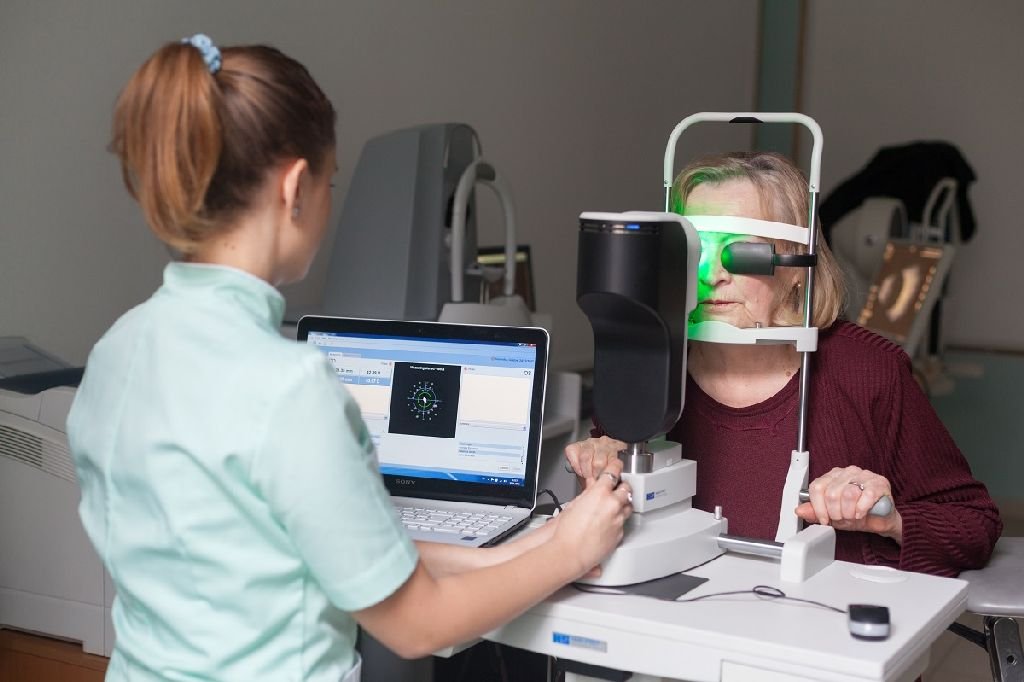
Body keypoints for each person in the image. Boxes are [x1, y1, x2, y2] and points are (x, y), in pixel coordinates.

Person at [67, 35, 633, 682]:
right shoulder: (290, 387)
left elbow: (285, 553)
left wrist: (540, 541)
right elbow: (417, 626)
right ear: (295, 188)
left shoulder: (115, 353)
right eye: (329, 182)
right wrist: (567, 555)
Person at [565, 151, 1001, 578]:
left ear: (795, 264)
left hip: (822, 615)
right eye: (697, 251)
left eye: (740, 252)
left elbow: (973, 524)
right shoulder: (643, 364)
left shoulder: (869, 370)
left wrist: (888, 519)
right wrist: (600, 465)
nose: (712, 276)